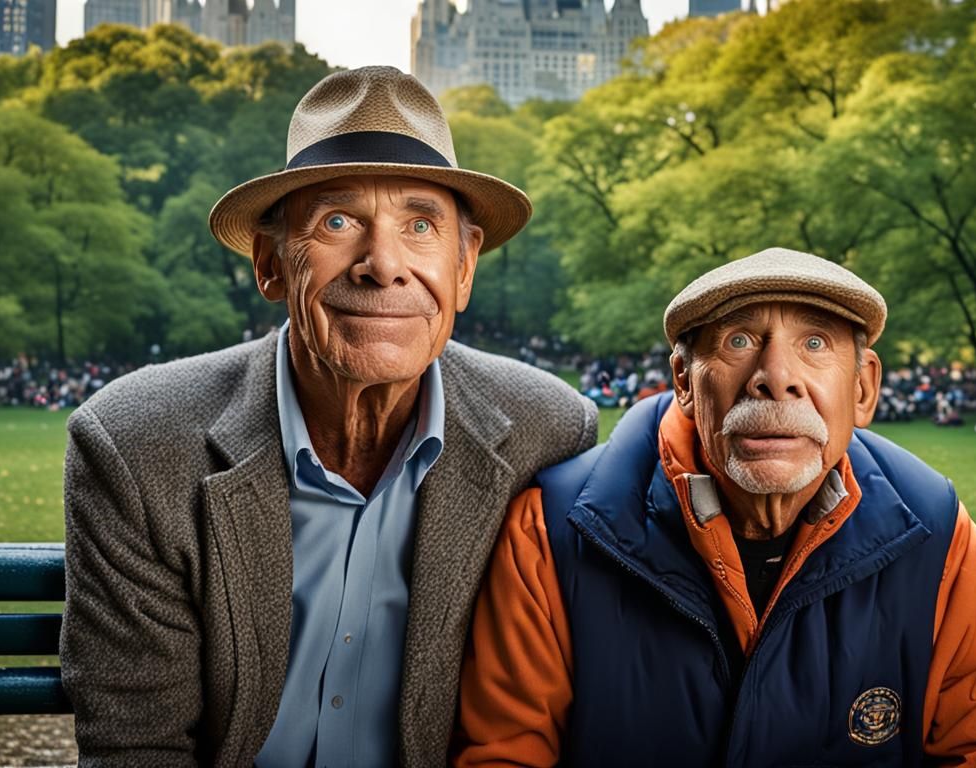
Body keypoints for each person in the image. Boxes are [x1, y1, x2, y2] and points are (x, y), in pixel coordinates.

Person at [59, 67, 598, 767]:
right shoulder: (136, 447)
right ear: (272, 263)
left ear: (464, 269)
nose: (383, 264)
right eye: (337, 222)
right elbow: (138, 745)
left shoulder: (549, 437)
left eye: (421, 225)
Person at [454, 248, 976, 765]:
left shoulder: (936, 532)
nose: (775, 376)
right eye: (739, 340)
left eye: (814, 343)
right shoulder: (552, 529)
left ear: (864, 388)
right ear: (685, 383)